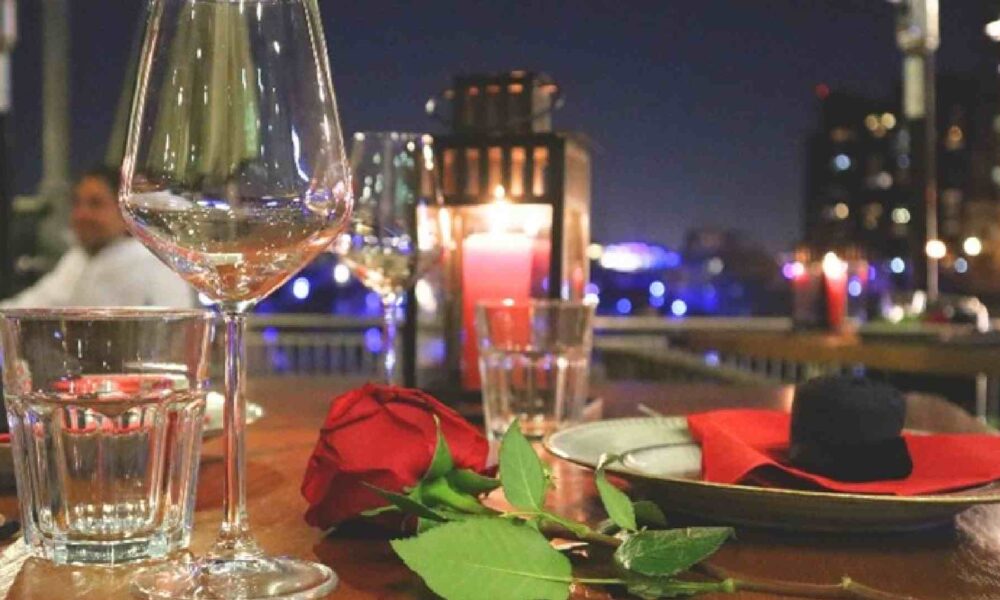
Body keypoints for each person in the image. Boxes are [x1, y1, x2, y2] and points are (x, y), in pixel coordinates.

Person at [0, 167, 195, 308]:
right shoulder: (78, 260)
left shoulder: (153, 261)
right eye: (77, 203)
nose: (81, 215)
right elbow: (29, 308)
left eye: (96, 204)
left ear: (125, 211)